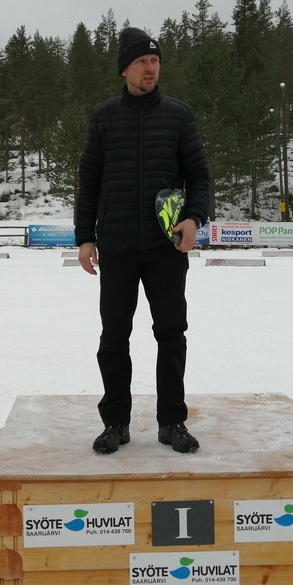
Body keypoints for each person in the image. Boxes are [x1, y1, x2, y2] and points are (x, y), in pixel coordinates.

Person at [74, 27, 211, 455]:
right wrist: (85, 237)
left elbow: (199, 176)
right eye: (141, 62)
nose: (150, 68)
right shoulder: (103, 117)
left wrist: (194, 218)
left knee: (171, 333)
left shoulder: (178, 115)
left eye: (154, 61)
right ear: (124, 70)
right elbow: (88, 181)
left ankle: (172, 421)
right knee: (114, 336)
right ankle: (115, 422)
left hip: (165, 246)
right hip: (116, 246)